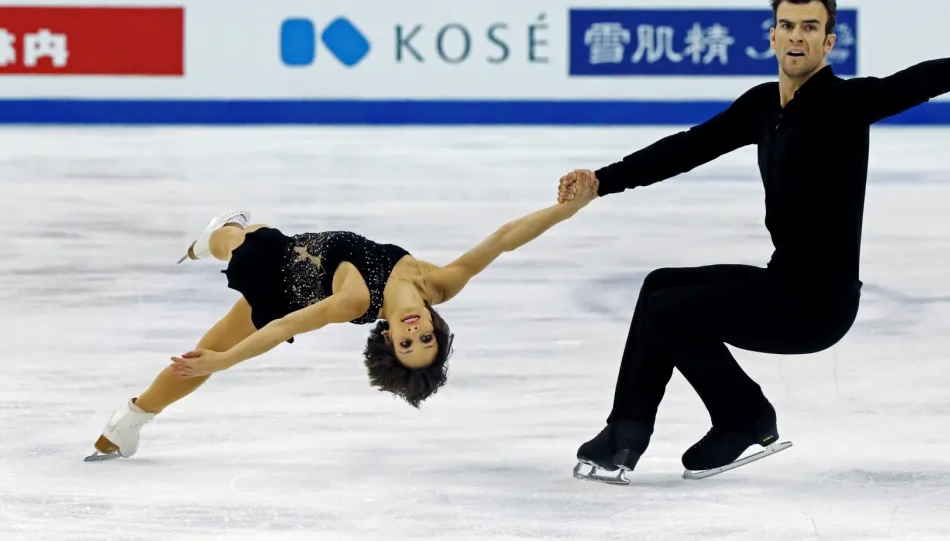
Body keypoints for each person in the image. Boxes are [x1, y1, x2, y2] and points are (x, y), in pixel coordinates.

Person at [558, 0, 950, 482]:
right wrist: (604, 180)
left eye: (810, 27)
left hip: (818, 305)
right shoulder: (762, 106)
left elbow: (903, 86)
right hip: (781, 282)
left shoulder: (843, 104)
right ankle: (625, 433)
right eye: (787, 26)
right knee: (660, 286)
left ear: (829, 42)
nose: (797, 36)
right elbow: (690, 147)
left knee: (671, 314)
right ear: (773, 37)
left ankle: (743, 415)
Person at [86, 188, 598, 462]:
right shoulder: (441, 284)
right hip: (298, 259)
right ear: (438, 330)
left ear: (388, 338)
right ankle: (209, 243)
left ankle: (131, 419)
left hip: (279, 272)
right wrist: (566, 210)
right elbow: (505, 239)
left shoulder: (355, 300)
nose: (414, 330)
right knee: (234, 238)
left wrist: (224, 361)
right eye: (426, 339)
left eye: (406, 342)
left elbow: (284, 323)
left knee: (238, 246)